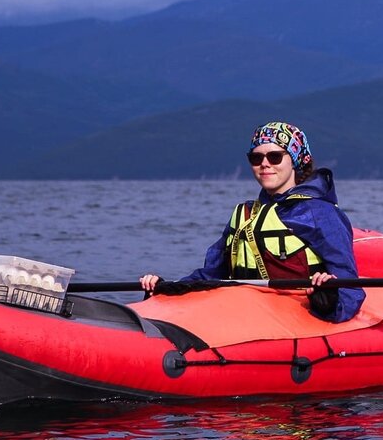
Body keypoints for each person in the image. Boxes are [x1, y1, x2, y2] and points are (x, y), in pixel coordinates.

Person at [140, 121, 364, 322]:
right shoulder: (244, 214)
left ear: (296, 161)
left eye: (274, 156)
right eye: (256, 158)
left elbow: (349, 286)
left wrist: (330, 303)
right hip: (245, 314)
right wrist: (165, 289)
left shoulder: (319, 213)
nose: (264, 164)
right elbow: (210, 276)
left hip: (297, 320)